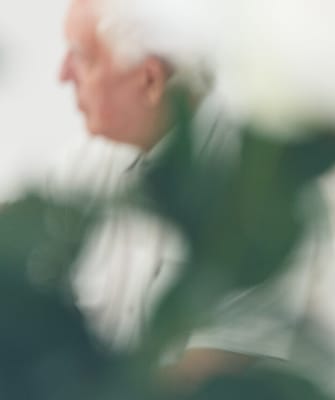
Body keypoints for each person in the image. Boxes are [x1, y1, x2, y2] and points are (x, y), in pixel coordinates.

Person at [57, 0, 320, 391]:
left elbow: (214, 375)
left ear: (150, 80)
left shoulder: (258, 183)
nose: (63, 75)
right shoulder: (95, 155)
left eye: (82, 57)